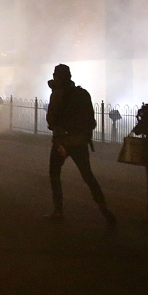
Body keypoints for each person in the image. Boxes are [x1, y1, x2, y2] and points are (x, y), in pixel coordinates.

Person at [46, 64, 116, 228]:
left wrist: (57, 128)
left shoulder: (57, 94)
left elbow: (51, 119)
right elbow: (91, 121)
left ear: (57, 76)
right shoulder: (83, 94)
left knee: (54, 174)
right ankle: (103, 207)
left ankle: (58, 209)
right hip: (79, 141)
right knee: (88, 175)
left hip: (62, 142)